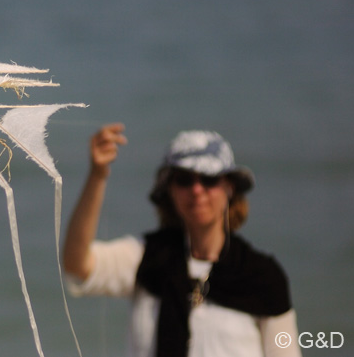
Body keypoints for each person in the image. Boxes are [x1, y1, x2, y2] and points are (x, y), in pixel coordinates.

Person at [63, 124, 301, 357]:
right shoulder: (146, 258)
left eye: (209, 179)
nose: (197, 190)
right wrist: (97, 176)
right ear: (170, 190)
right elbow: (76, 264)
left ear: (229, 187)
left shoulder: (263, 276)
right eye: (184, 180)